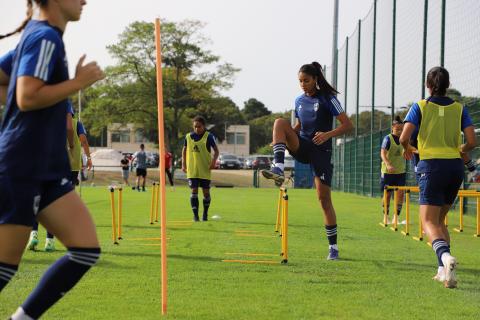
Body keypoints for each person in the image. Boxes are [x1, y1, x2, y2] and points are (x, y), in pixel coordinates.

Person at [0, 1, 104, 318]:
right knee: (4, 267)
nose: (85, 0)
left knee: (85, 250)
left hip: (48, 169)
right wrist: (78, 83)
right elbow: (27, 96)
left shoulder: (41, 36)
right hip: (22, 166)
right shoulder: (46, 37)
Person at [261, 62, 353, 260]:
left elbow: (347, 125)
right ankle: (278, 168)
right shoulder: (299, 100)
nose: (302, 84)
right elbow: (299, 125)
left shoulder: (329, 99)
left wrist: (328, 134)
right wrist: (282, 138)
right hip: (303, 146)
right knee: (279, 122)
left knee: (324, 199)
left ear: (315, 80)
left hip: (321, 151)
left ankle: (333, 248)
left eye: (306, 80)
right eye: (300, 81)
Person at [400, 66, 476, 288]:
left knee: (428, 222)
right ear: (448, 85)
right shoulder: (460, 108)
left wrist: (407, 148)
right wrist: (458, 150)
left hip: (431, 166)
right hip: (455, 167)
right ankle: (444, 272)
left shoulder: (420, 106)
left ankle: (445, 258)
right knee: (440, 221)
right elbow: (471, 142)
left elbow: (404, 136)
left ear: (427, 85)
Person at [182, 116, 219, 222]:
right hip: (192, 170)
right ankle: (195, 216)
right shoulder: (188, 137)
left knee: (206, 193)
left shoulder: (209, 137)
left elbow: (216, 151)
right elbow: (184, 150)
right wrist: (183, 164)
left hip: (205, 170)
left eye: (199, 126)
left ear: (204, 126)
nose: (197, 129)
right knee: (194, 191)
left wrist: (213, 163)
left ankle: (205, 214)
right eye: (195, 127)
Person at [380, 116, 406, 224]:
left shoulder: (404, 139)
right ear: (392, 128)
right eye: (397, 129)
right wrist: (388, 164)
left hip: (400, 171)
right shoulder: (387, 139)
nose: (400, 131)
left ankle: (396, 217)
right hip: (388, 172)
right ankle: (386, 216)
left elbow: (408, 148)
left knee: (400, 194)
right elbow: (382, 153)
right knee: (388, 194)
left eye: (402, 129)